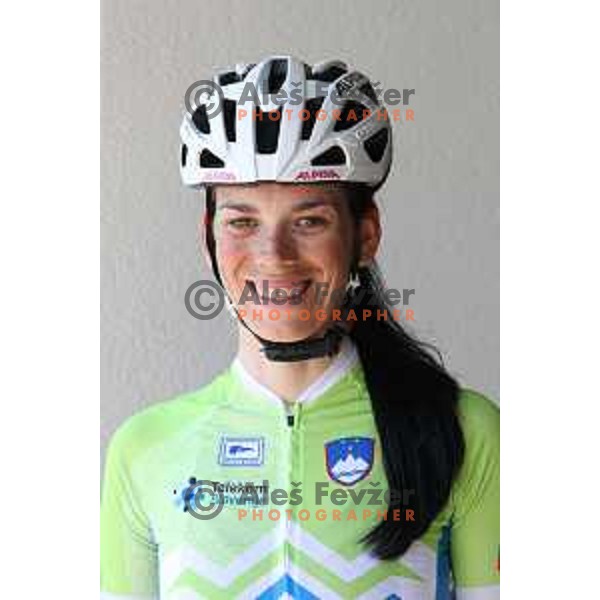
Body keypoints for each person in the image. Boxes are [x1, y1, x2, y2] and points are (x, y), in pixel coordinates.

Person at [101, 55, 499, 600]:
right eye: (242, 221)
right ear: (209, 238)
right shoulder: (144, 448)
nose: (274, 255)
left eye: (309, 221)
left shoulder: (466, 431)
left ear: (365, 235)